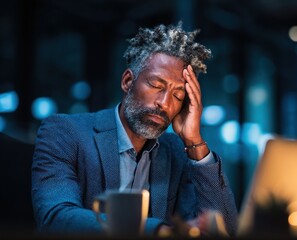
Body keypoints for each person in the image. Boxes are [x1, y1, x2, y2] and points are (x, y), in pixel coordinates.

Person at [31, 22, 238, 236]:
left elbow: (224, 231)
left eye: (178, 96)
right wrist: (158, 232)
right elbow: (55, 218)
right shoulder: (64, 132)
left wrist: (194, 142)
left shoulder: (177, 153)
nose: (165, 103)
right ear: (128, 81)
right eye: (156, 86)